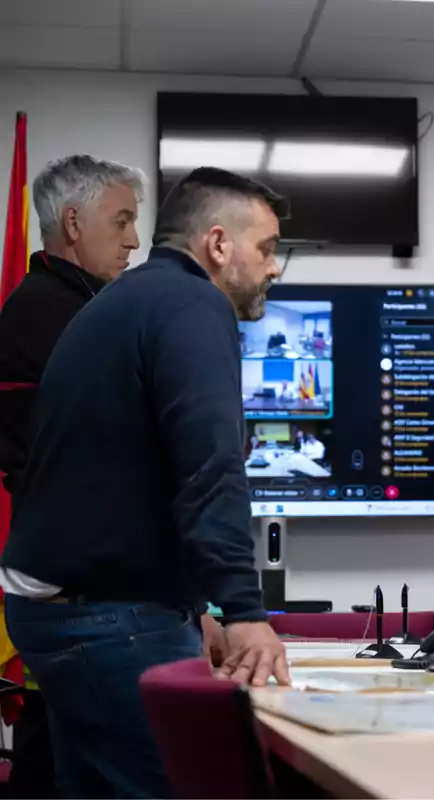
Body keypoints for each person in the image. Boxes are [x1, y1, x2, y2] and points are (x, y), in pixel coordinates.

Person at [1, 166, 292, 798]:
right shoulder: (193, 304)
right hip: (104, 614)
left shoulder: (133, 297)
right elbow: (209, 467)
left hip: (62, 606)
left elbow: (140, 469)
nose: (274, 269)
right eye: (267, 250)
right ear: (218, 244)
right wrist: (243, 611)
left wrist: (200, 603)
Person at [0, 154, 145, 798]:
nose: (134, 241)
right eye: (122, 222)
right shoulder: (62, 317)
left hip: (62, 574)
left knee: (56, 752)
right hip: (83, 587)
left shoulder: (58, 305)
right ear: (74, 222)